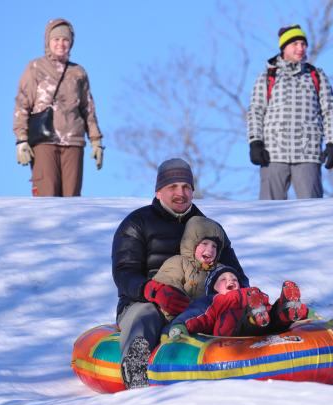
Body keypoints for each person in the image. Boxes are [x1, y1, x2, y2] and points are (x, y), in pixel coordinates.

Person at [111, 158, 248, 389]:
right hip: (146, 302)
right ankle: (136, 368)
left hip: (199, 305)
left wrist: (234, 290)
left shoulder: (209, 229)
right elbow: (124, 273)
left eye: (186, 187)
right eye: (172, 187)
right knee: (146, 314)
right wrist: (151, 290)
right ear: (158, 192)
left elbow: (236, 273)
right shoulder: (137, 223)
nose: (180, 193)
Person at [247, 24, 333, 200]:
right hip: (273, 154)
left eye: (303, 44)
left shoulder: (316, 76)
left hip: (308, 152)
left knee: (312, 213)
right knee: (268, 213)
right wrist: (255, 142)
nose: (301, 48)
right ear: (284, 47)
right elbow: (255, 111)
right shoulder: (267, 77)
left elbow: (330, 111)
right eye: (295, 44)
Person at [13, 18, 104, 197]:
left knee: (72, 199)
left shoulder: (78, 72)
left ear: (71, 42)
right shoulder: (35, 67)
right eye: (56, 39)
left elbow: (88, 108)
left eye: (65, 40)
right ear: (48, 41)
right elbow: (22, 104)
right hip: (43, 140)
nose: (61, 44)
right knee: (47, 197)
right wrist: (21, 139)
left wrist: (96, 140)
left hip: (74, 141)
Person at [168, 265, 308, 339]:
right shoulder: (215, 301)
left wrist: (307, 313)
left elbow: (269, 307)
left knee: (272, 314)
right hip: (235, 334)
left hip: (263, 319)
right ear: (213, 289)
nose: (230, 281)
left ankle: (287, 309)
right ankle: (255, 317)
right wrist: (184, 326)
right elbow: (202, 318)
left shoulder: (252, 293)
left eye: (234, 279)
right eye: (223, 279)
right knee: (249, 319)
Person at [152, 215, 226, 320]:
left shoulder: (220, 270)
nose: (210, 249)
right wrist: (175, 298)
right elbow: (169, 281)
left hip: (211, 320)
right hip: (179, 318)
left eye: (214, 246)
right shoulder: (179, 262)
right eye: (204, 243)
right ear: (191, 244)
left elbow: (232, 288)